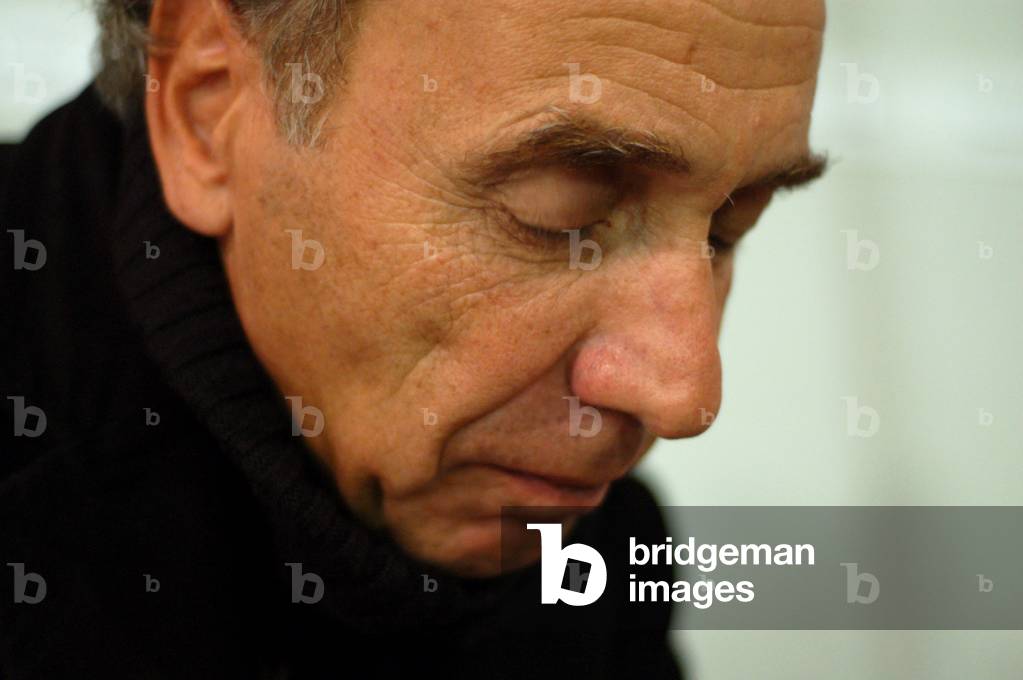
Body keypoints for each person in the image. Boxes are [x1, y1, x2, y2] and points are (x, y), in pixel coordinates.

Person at [0, 0, 826, 677]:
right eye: (559, 217)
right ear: (208, 106)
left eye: (727, 227)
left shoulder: (586, 557)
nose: (683, 395)